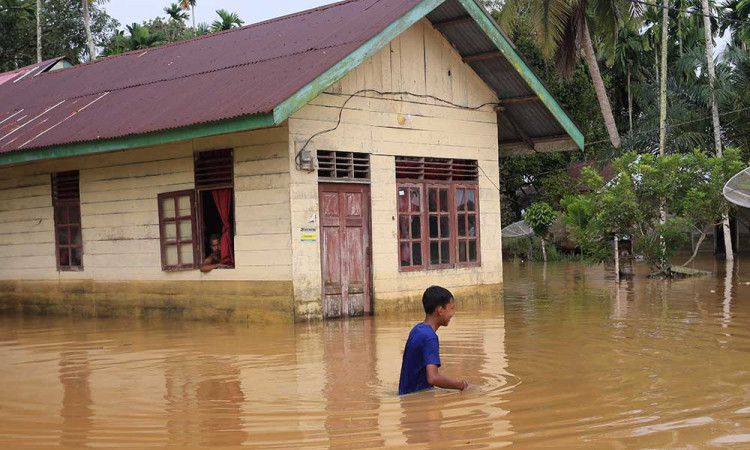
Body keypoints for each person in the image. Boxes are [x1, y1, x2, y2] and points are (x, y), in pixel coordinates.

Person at [398, 286, 470, 395]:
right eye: (451, 309)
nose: (453, 313)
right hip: (418, 400)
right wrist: (462, 385)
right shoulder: (430, 337)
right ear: (440, 310)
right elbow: (433, 378)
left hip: (406, 395)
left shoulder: (417, 329)